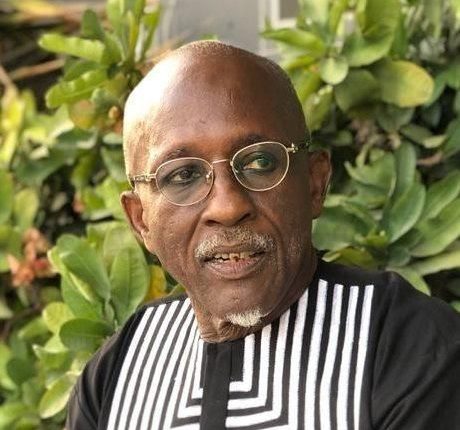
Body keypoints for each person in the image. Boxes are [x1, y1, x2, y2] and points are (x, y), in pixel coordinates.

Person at [66, 41, 460, 430]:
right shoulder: (117, 373)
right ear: (141, 221)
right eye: (183, 175)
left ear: (314, 183)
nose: (227, 206)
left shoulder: (409, 347)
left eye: (259, 162)